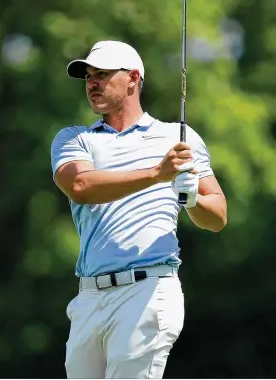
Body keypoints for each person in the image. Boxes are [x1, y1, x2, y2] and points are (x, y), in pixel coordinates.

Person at [51, 40, 227, 379]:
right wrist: (157, 175)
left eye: (102, 74)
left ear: (132, 79)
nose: (92, 84)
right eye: (88, 77)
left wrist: (192, 200)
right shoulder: (75, 139)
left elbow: (217, 216)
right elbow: (80, 187)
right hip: (89, 297)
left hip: (147, 290)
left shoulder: (177, 137)